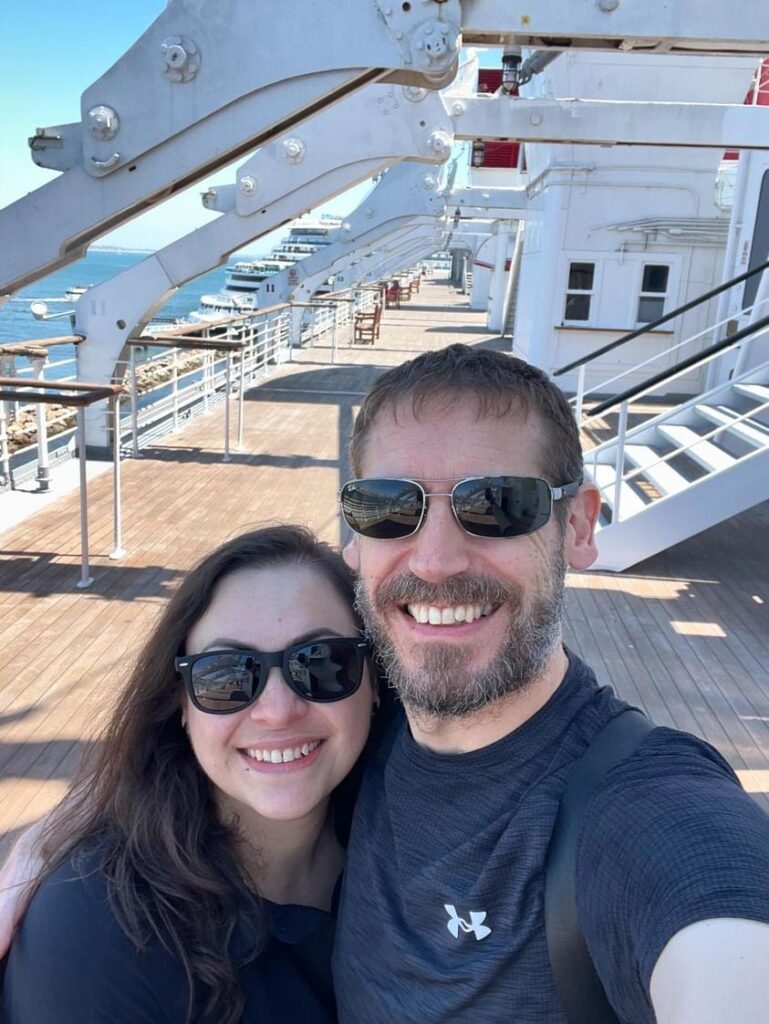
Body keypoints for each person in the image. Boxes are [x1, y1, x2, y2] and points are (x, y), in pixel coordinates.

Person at [332, 343, 769, 1023]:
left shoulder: (645, 810)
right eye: (389, 507)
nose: (438, 559)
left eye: (497, 504)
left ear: (577, 526)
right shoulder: (346, 740)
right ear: (353, 538)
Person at [0, 525, 379, 1024]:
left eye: (323, 663)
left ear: (375, 681)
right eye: (226, 674)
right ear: (181, 702)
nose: (278, 710)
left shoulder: (408, 818)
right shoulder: (101, 934)